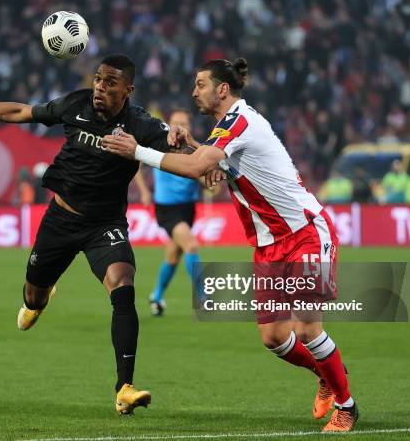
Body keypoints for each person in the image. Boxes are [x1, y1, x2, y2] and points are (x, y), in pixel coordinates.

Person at [102, 58, 358, 432]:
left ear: (223, 89)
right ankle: (327, 374)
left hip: (304, 232)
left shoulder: (241, 121)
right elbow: (211, 165)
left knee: (306, 329)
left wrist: (137, 150)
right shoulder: (227, 126)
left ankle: (347, 407)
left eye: (200, 84)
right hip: (270, 245)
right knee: (274, 337)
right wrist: (194, 146)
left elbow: (197, 168)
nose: (194, 92)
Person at [0, 54, 186, 415]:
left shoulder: (140, 124)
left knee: (123, 286)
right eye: (98, 79)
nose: (100, 87)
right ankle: (40, 299)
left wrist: (200, 149)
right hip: (60, 220)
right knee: (33, 295)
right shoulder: (76, 103)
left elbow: (180, 147)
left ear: (128, 90)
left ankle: (124, 387)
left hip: (105, 225)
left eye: (110, 82)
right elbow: (20, 113)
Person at [134, 109, 202, 316]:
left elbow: (202, 173)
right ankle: (204, 297)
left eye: (183, 122)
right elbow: (137, 163)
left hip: (188, 207)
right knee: (191, 245)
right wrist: (145, 191)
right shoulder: (161, 142)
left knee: (173, 256)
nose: (179, 126)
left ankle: (156, 296)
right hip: (167, 209)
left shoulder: (194, 148)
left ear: (189, 126)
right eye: (175, 122)